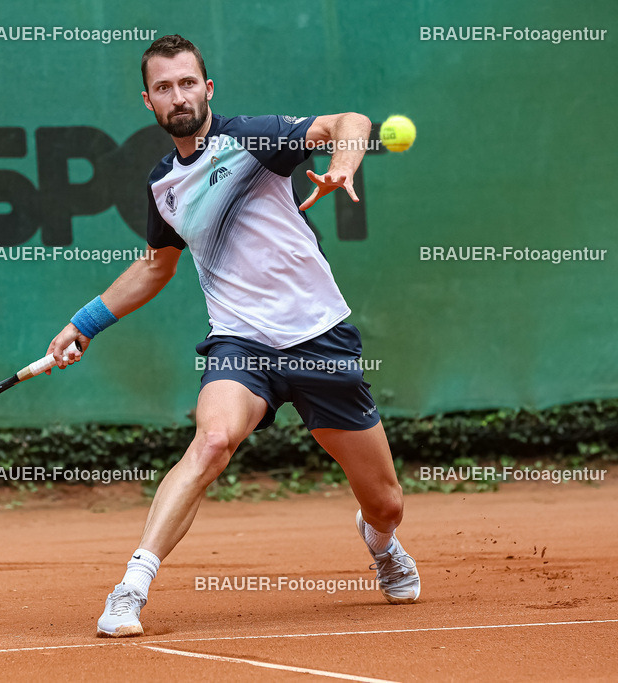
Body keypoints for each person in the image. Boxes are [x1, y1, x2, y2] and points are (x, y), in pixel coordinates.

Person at [45, 34, 419, 638]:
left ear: (207, 88)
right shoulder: (163, 185)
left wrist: (345, 162)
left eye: (187, 82)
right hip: (240, 343)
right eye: (163, 88)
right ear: (149, 101)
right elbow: (154, 267)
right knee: (213, 440)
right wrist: (83, 324)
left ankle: (379, 542)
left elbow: (349, 121)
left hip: (321, 341)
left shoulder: (252, 139)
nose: (177, 95)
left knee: (387, 502)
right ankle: (130, 587)